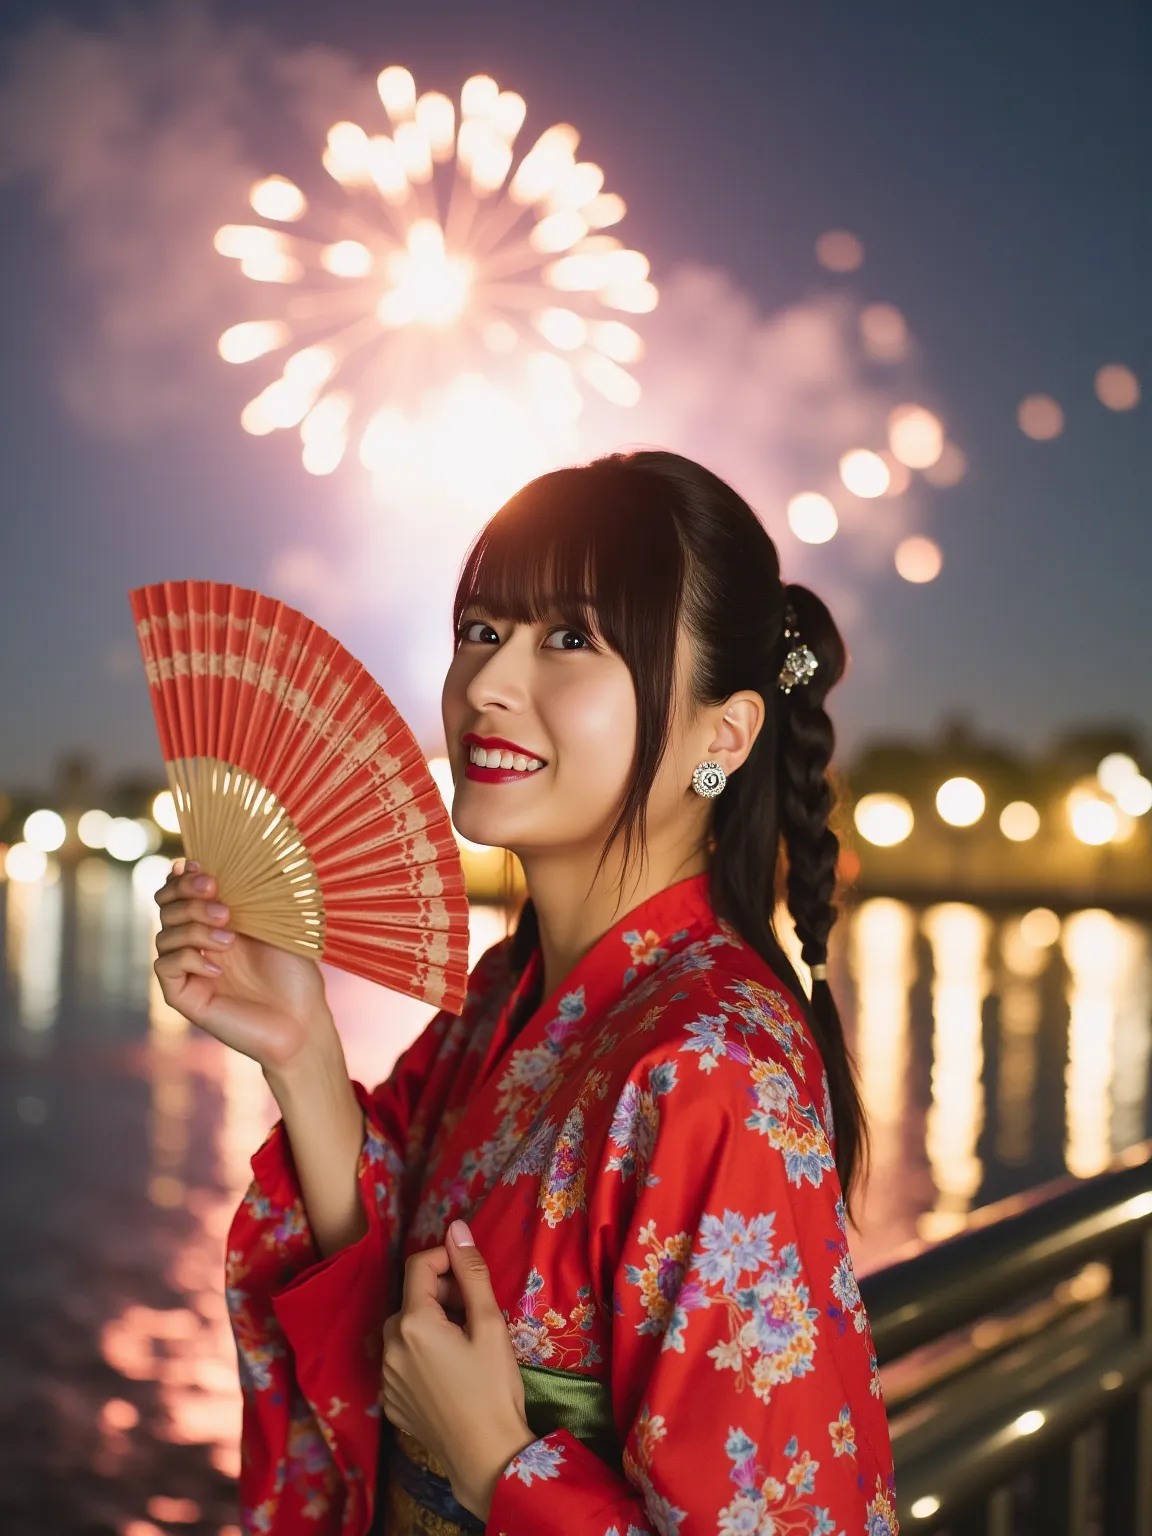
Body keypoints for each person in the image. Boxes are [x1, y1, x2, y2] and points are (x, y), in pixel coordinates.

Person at [153, 450, 898, 1535]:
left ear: (721, 735)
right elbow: (387, 1256)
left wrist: (498, 1459)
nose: (486, 686)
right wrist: (304, 1055)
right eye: (482, 631)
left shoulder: (710, 1075)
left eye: (571, 639)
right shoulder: (512, 988)